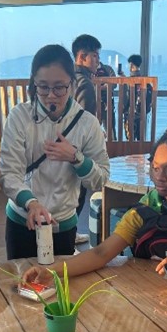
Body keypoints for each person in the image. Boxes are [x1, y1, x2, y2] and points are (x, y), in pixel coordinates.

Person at [24, 130, 167, 285]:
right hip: (154, 288)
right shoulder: (147, 207)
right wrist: (51, 272)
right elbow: (101, 252)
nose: (159, 177)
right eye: (155, 168)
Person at [0, 44, 109, 260]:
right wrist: (31, 203)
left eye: (59, 87)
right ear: (33, 83)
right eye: (43, 87)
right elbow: (8, 173)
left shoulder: (88, 124)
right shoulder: (19, 116)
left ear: (72, 84)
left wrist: (76, 158)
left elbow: (100, 179)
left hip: (63, 225)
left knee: (61, 280)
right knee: (20, 279)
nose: (51, 96)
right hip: (22, 221)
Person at [72, 33, 103, 242]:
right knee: (78, 193)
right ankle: (69, 235)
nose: (97, 61)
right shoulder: (85, 84)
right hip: (77, 149)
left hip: (63, 147)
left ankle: (67, 234)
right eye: (95, 56)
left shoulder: (69, 79)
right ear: (82, 56)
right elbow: (85, 122)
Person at [123, 53, 153, 141]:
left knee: (130, 139)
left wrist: (124, 109)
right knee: (141, 139)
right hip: (142, 114)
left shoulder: (129, 81)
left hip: (130, 114)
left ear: (131, 65)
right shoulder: (145, 81)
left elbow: (127, 98)